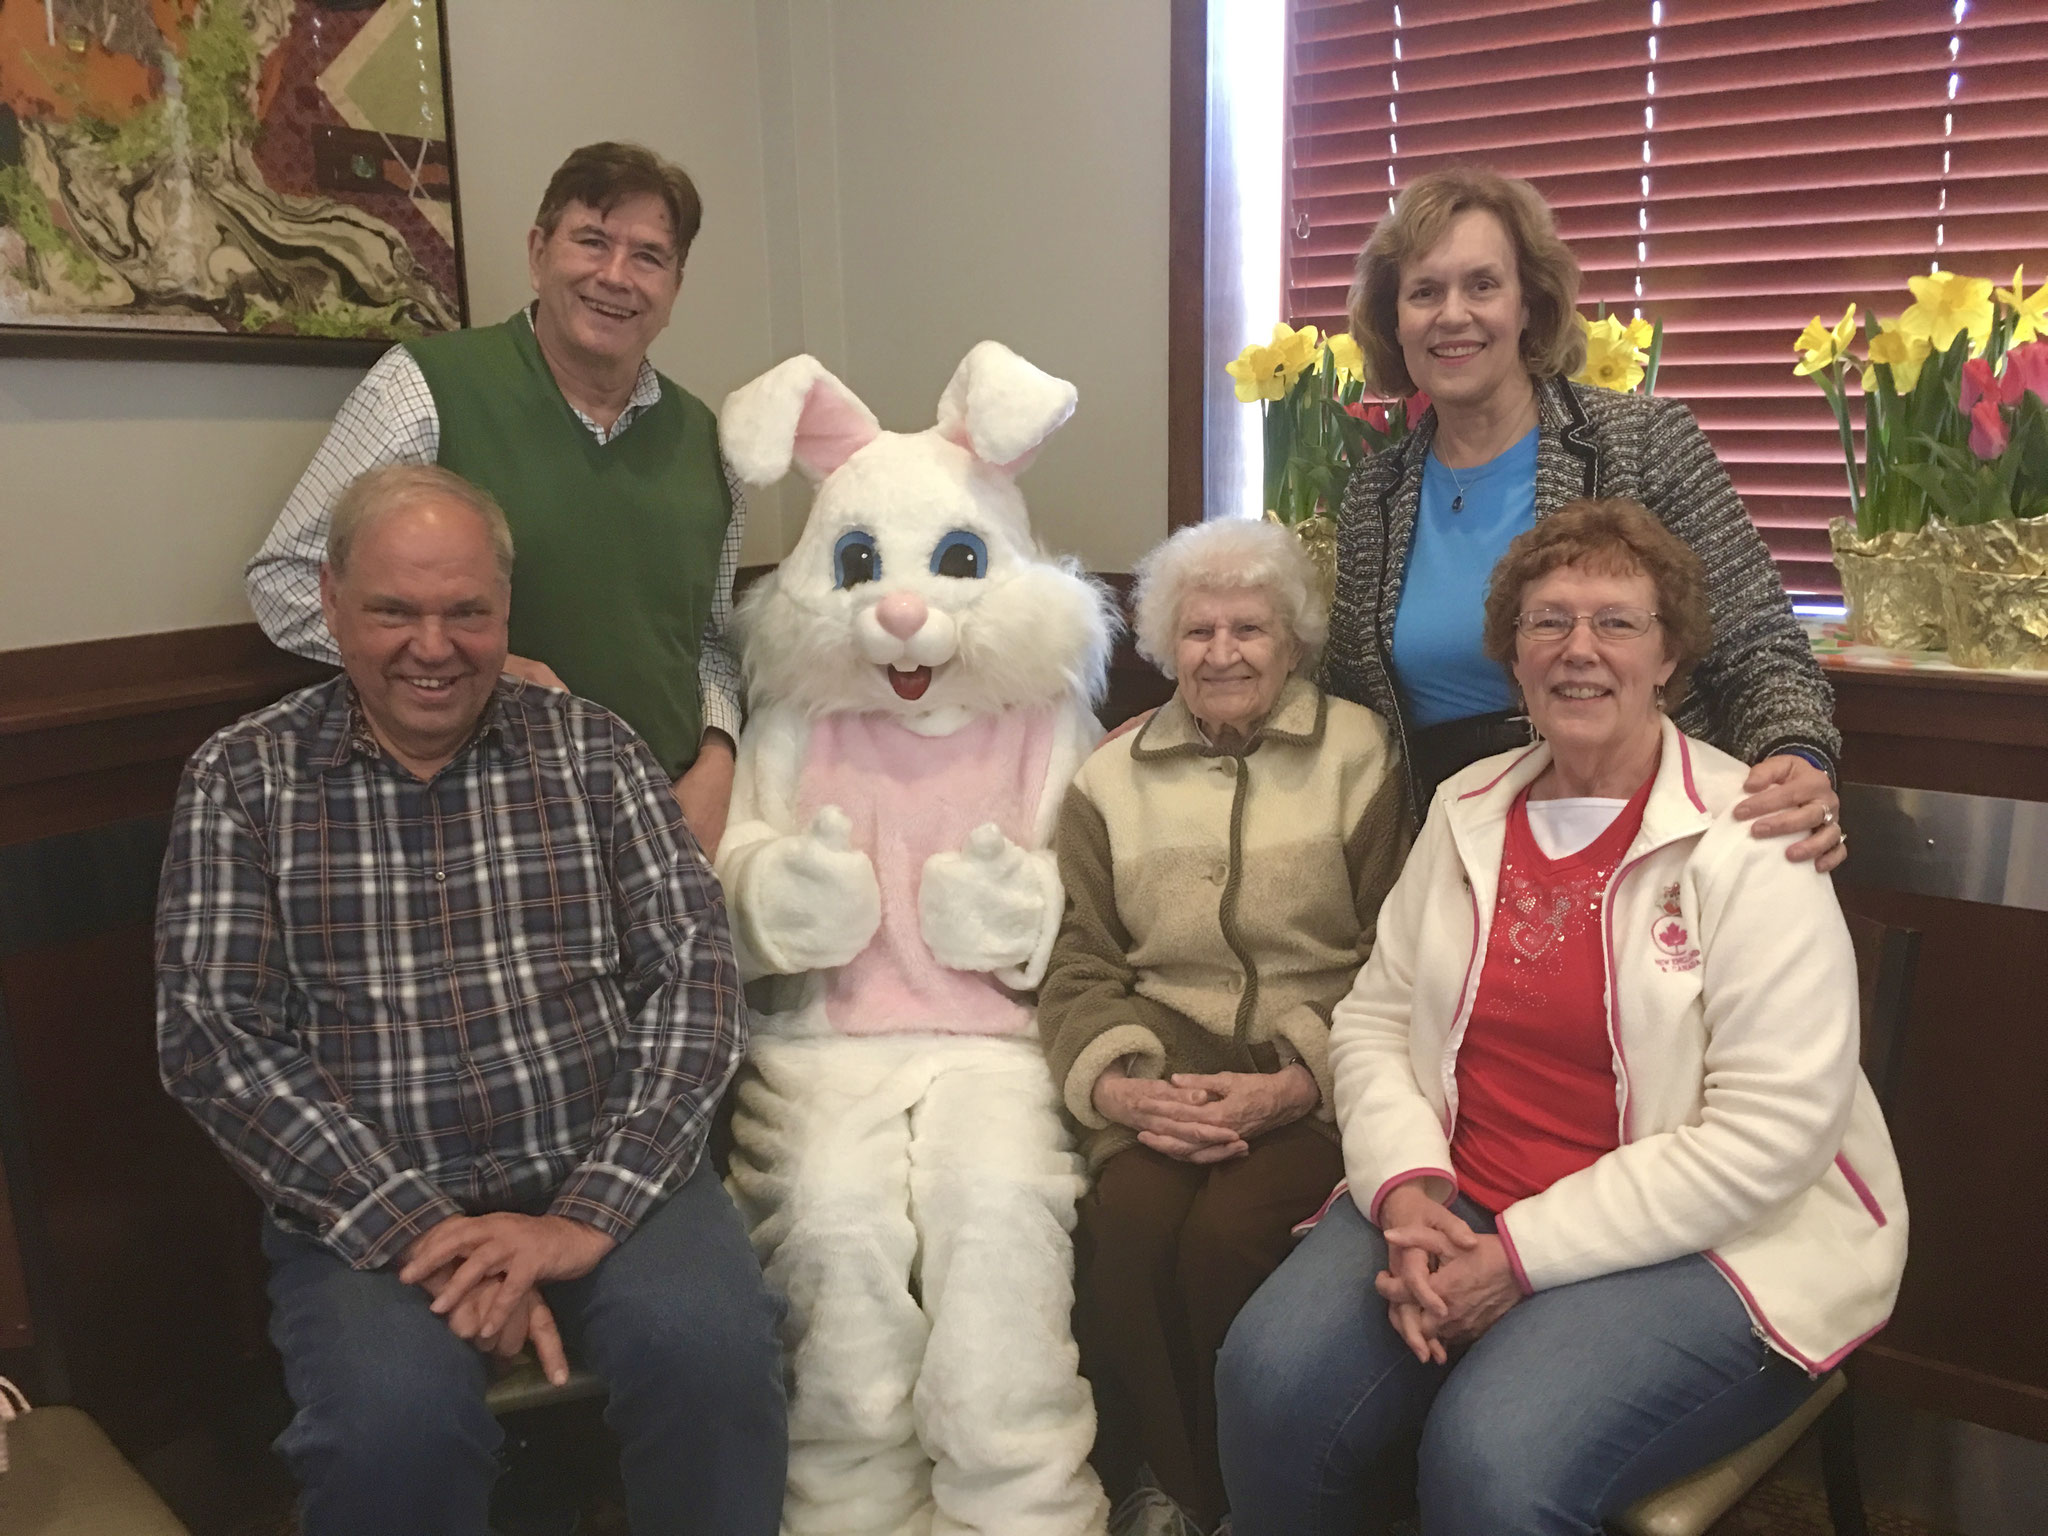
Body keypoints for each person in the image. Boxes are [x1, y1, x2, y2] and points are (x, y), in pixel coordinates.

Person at [1215, 501, 1907, 1536]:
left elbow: (1770, 1134)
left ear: (1669, 654)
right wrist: (1405, 1195)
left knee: (1493, 1455)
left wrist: (1519, 1257)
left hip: (1704, 1240)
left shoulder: (1752, 838)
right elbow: (1373, 1023)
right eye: (1546, 622)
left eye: (1616, 623)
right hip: (1458, 1197)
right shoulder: (1465, 807)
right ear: (1511, 655)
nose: (1578, 650)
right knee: (1267, 1379)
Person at [158, 465, 787, 1536]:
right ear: (331, 605)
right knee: (388, 1426)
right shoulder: (242, 781)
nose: (432, 646)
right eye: (393, 610)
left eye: (466, 612)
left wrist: (581, 1218)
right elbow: (217, 1041)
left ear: (504, 613)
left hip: (613, 1165)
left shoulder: (595, 752)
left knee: (715, 1360)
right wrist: (434, 1236)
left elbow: (694, 975)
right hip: (367, 1203)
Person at [1041, 519, 1408, 1536]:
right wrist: (1118, 1085)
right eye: (1196, 631)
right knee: (1129, 1226)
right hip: (1165, 1070)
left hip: (1314, 1071)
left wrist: (1301, 1078)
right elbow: (1078, 961)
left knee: (1226, 1238)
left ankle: (1261, 1492)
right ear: (1165, 646)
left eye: (1248, 628)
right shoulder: (1109, 780)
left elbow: (1400, 950)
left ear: (1289, 639)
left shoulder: (1356, 753)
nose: (1222, 652)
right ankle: (1178, 1482)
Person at [1326, 167, 1848, 871]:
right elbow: (1345, 700)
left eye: (1482, 285)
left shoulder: (1643, 444)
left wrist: (1796, 753)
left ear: (1530, 306)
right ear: (1396, 321)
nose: (1453, 314)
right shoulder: (1376, 497)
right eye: (1424, 292)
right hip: (1453, 851)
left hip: (1645, 837)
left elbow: (1758, 644)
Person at [247, 141, 747, 854]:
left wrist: (717, 756)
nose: (616, 276)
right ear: (539, 251)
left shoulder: (707, 441)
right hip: (473, 833)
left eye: (648, 256)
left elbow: (712, 640)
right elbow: (286, 581)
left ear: (675, 283)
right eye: (592, 241)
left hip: (663, 826)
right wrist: (482, 662)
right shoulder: (422, 389)